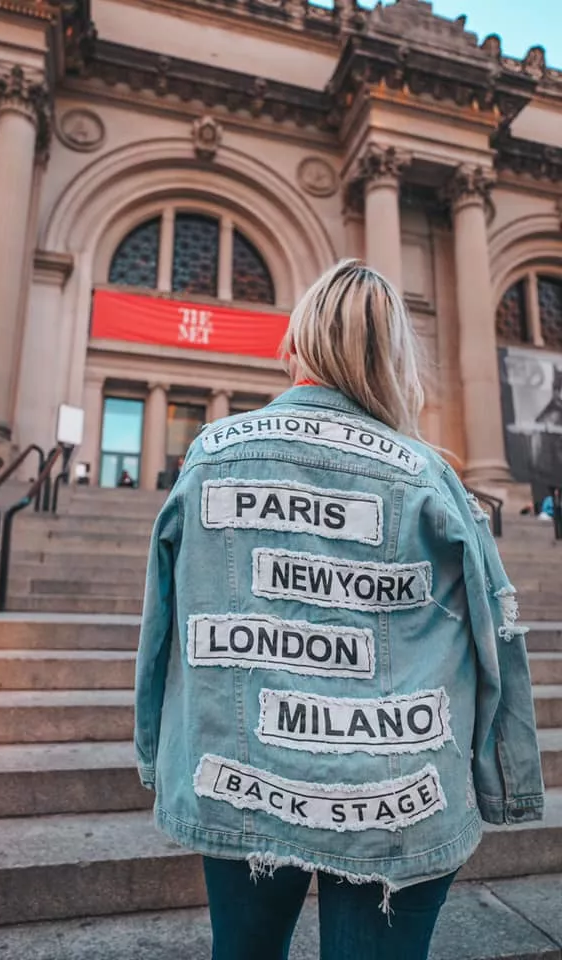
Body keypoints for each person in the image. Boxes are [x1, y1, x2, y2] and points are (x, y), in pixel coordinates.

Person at [135, 260, 543, 960]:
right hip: (402, 795)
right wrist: (501, 782)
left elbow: (162, 633)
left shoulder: (209, 458)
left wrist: (157, 753)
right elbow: (495, 639)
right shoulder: (429, 476)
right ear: (390, 359)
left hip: (243, 775)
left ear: (288, 348)